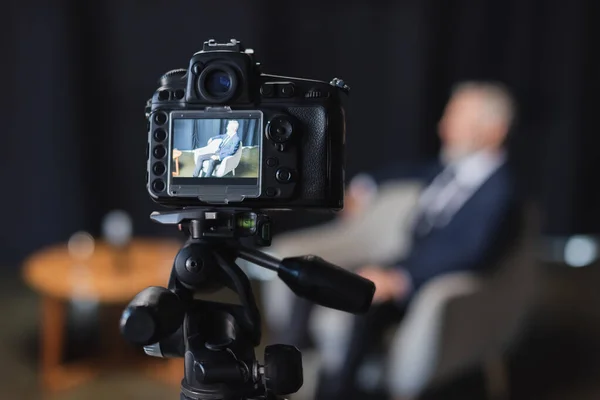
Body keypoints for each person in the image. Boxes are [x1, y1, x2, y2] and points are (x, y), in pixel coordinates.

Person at [310, 81, 520, 399]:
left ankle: (342, 391)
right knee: (319, 273)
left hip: (431, 282)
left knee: (366, 301)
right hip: (406, 264)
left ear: (494, 130)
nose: (442, 127)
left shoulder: (501, 192)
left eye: (455, 120)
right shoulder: (450, 169)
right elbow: (410, 172)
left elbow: (472, 252)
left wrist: (402, 278)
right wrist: (365, 186)